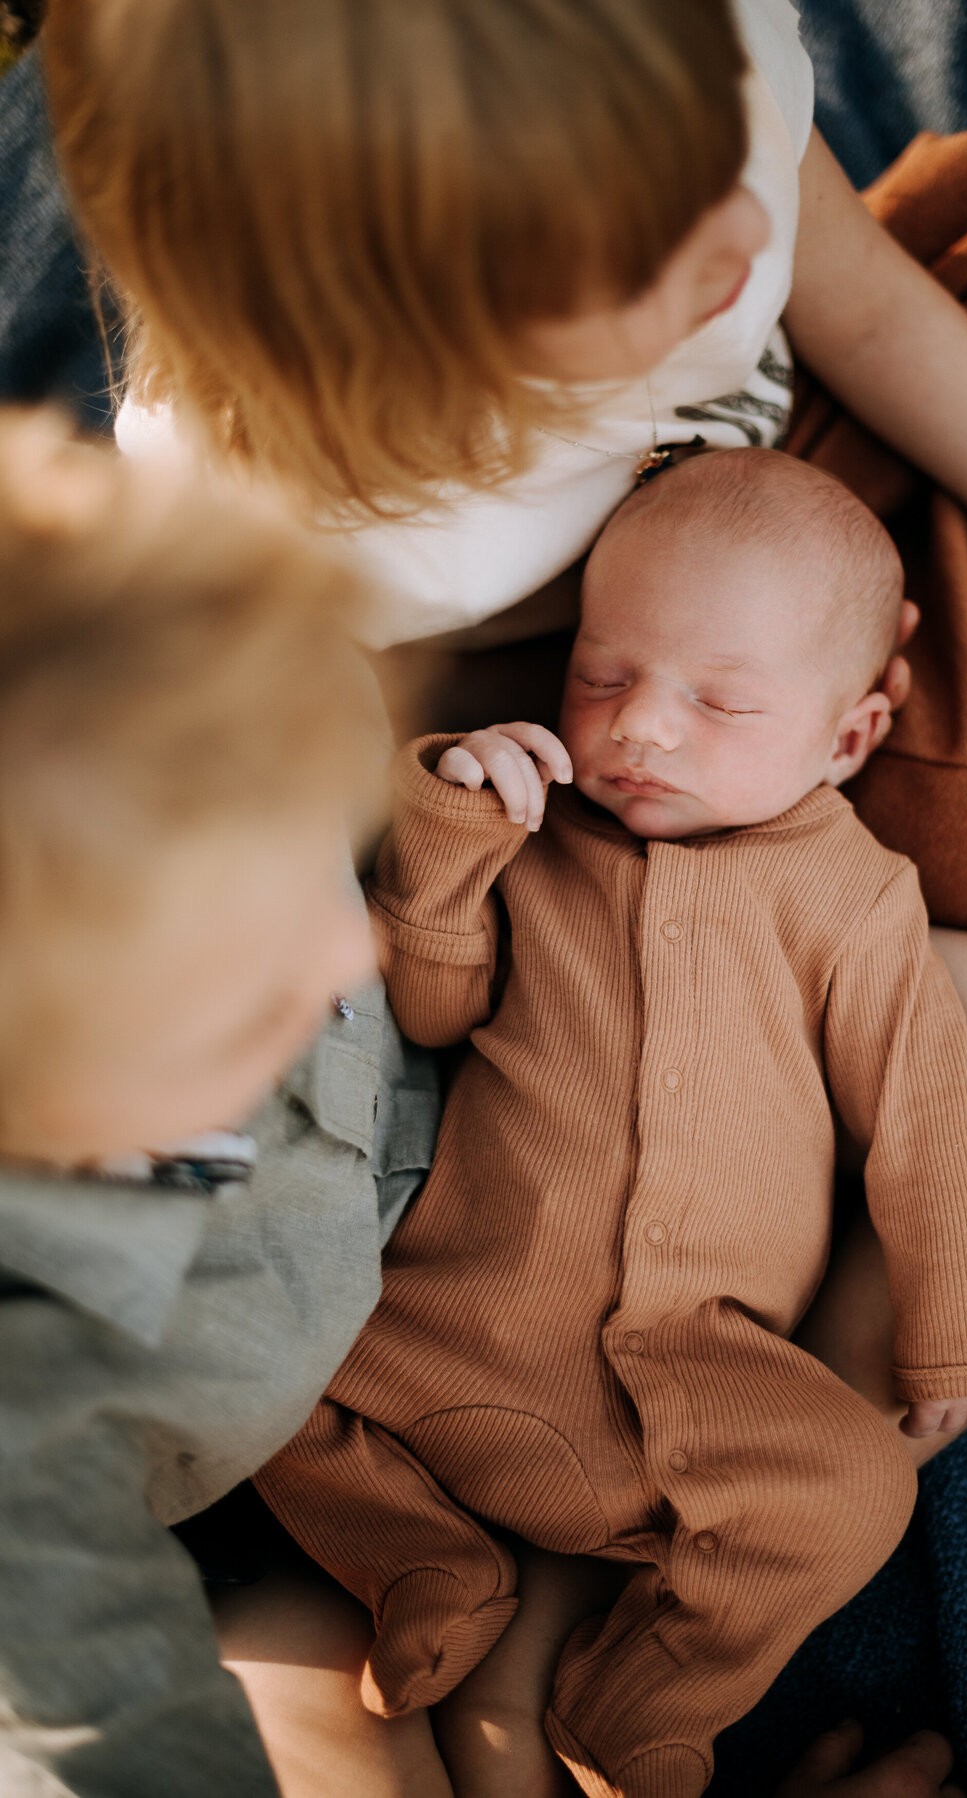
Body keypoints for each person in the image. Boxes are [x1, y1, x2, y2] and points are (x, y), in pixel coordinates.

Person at [36, 0, 967, 1790]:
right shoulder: (286, 534)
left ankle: (659, 1575)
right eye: (650, 258)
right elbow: (371, 883)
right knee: (352, 1671)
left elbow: (834, 263)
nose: (739, 247)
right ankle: (553, 1623)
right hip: (471, 1086)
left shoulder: (687, 76)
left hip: (639, 899)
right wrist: (465, 827)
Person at [258, 450, 967, 1798]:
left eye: (720, 700)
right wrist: (449, 836)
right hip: (437, 1331)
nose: (643, 729)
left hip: (692, 1380)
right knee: (248, 1369)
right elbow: (433, 1010)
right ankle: (423, 1564)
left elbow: (924, 1115)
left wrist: (955, 1306)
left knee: (856, 1490)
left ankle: (648, 1692)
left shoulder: (851, 895)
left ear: (847, 738)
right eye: (604, 675)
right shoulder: (539, 833)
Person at [0, 411, 442, 1797]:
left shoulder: (206, 714)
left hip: (401, 1216)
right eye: (259, 997)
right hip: (222, 1510)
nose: (351, 952)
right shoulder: (18, 1470)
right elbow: (135, 1747)